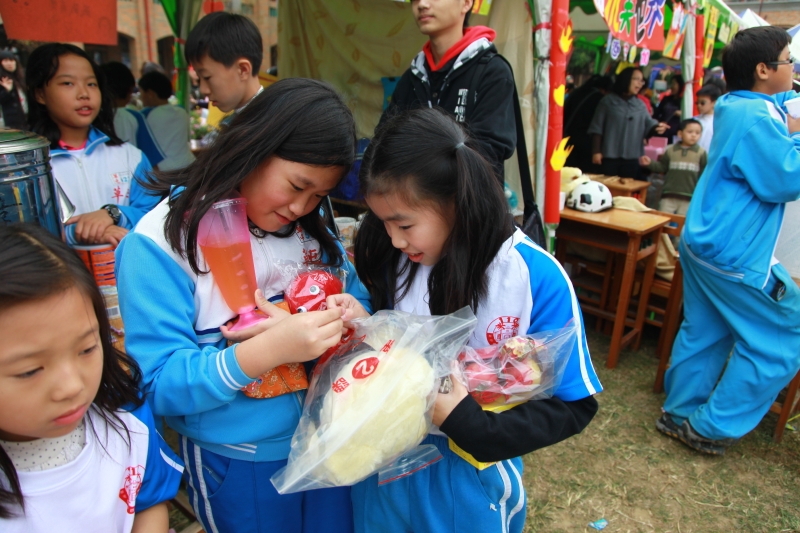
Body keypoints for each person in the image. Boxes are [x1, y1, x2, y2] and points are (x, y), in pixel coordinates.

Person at [115, 78, 371, 533]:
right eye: (297, 185)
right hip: (239, 461)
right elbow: (158, 383)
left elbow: (356, 294)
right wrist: (265, 352)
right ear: (254, 147)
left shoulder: (311, 228)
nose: (301, 206)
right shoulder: (160, 245)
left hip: (328, 440)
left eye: (318, 195)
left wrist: (349, 312)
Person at [329, 108, 601, 533]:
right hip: (381, 463)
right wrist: (368, 324)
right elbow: (392, 338)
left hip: (469, 478)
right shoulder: (394, 258)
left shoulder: (533, 276)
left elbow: (574, 406)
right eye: (383, 223)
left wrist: (471, 425)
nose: (394, 239)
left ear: (456, 201)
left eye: (404, 224)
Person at [656, 26, 800, 456]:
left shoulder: (736, 104)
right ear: (763, 70)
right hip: (735, 254)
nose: (794, 68)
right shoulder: (758, 117)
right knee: (786, 335)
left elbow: (776, 111)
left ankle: (678, 413)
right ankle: (710, 427)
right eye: (789, 61)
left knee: (706, 329)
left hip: (705, 242)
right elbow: (786, 178)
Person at [0, 224, 183, 532]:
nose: (72, 387)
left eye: (86, 349)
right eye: (29, 370)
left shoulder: (126, 419)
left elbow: (147, 503)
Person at [26, 45, 159, 247]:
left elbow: (157, 216)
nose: (84, 94)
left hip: (126, 267)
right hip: (62, 268)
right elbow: (21, 232)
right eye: (68, 83)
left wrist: (115, 214)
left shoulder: (131, 157)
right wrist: (75, 233)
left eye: (91, 84)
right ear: (40, 94)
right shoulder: (28, 168)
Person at [382, 0, 516, 184]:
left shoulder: (492, 72)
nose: (422, 4)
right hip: (414, 201)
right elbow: (384, 144)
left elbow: (486, 156)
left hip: (469, 201)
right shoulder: (411, 78)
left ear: (466, 3)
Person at [588, 67, 668, 179]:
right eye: (636, 79)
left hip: (632, 158)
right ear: (626, 79)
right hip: (609, 156)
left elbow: (649, 123)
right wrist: (596, 152)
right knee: (608, 185)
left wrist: (657, 127)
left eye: (642, 81)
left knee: (628, 187)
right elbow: (597, 128)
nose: (640, 84)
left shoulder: (640, 105)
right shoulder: (607, 102)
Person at [185, 12, 263, 122]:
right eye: (199, 79)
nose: (203, 90)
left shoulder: (278, 124)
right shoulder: (234, 122)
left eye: (207, 77)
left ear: (243, 70)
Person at [100, 61, 166, 169]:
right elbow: (151, 160)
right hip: (132, 175)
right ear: (130, 90)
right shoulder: (135, 117)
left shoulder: (92, 118)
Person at [641, 118, 707, 217]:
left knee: (682, 222)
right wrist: (650, 163)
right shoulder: (670, 150)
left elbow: (704, 174)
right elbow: (663, 167)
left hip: (689, 196)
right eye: (690, 132)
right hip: (669, 194)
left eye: (697, 133)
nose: (694, 135)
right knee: (663, 219)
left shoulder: (701, 153)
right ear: (680, 134)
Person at [138, 71, 195, 171]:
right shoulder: (181, 111)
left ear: (150, 94)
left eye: (141, 92)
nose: (140, 97)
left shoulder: (144, 116)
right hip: (189, 164)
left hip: (163, 170)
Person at [563, 75, 612, 172]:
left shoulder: (576, 93)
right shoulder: (600, 99)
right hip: (586, 141)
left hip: (569, 137)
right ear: (604, 89)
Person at [0, 50, 28, 130]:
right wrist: (7, 91)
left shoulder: (21, 77)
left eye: (12, 60)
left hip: (27, 117)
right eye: (6, 60)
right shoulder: (3, 80)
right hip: (13, 122)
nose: (10, 63)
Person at [653, 74, 685, 142]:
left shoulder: (684, 101)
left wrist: (682, 114)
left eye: (674, 84)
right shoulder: (666, 99)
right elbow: (656, 114)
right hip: (663, 132)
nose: (671, 86)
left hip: (676, 134)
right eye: (671, 84)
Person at [693, 84, 721, 153]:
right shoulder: (694, 120)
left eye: (702, 103)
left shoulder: (720, 121)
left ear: (714, 103)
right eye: (697, 103)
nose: (699, 106)